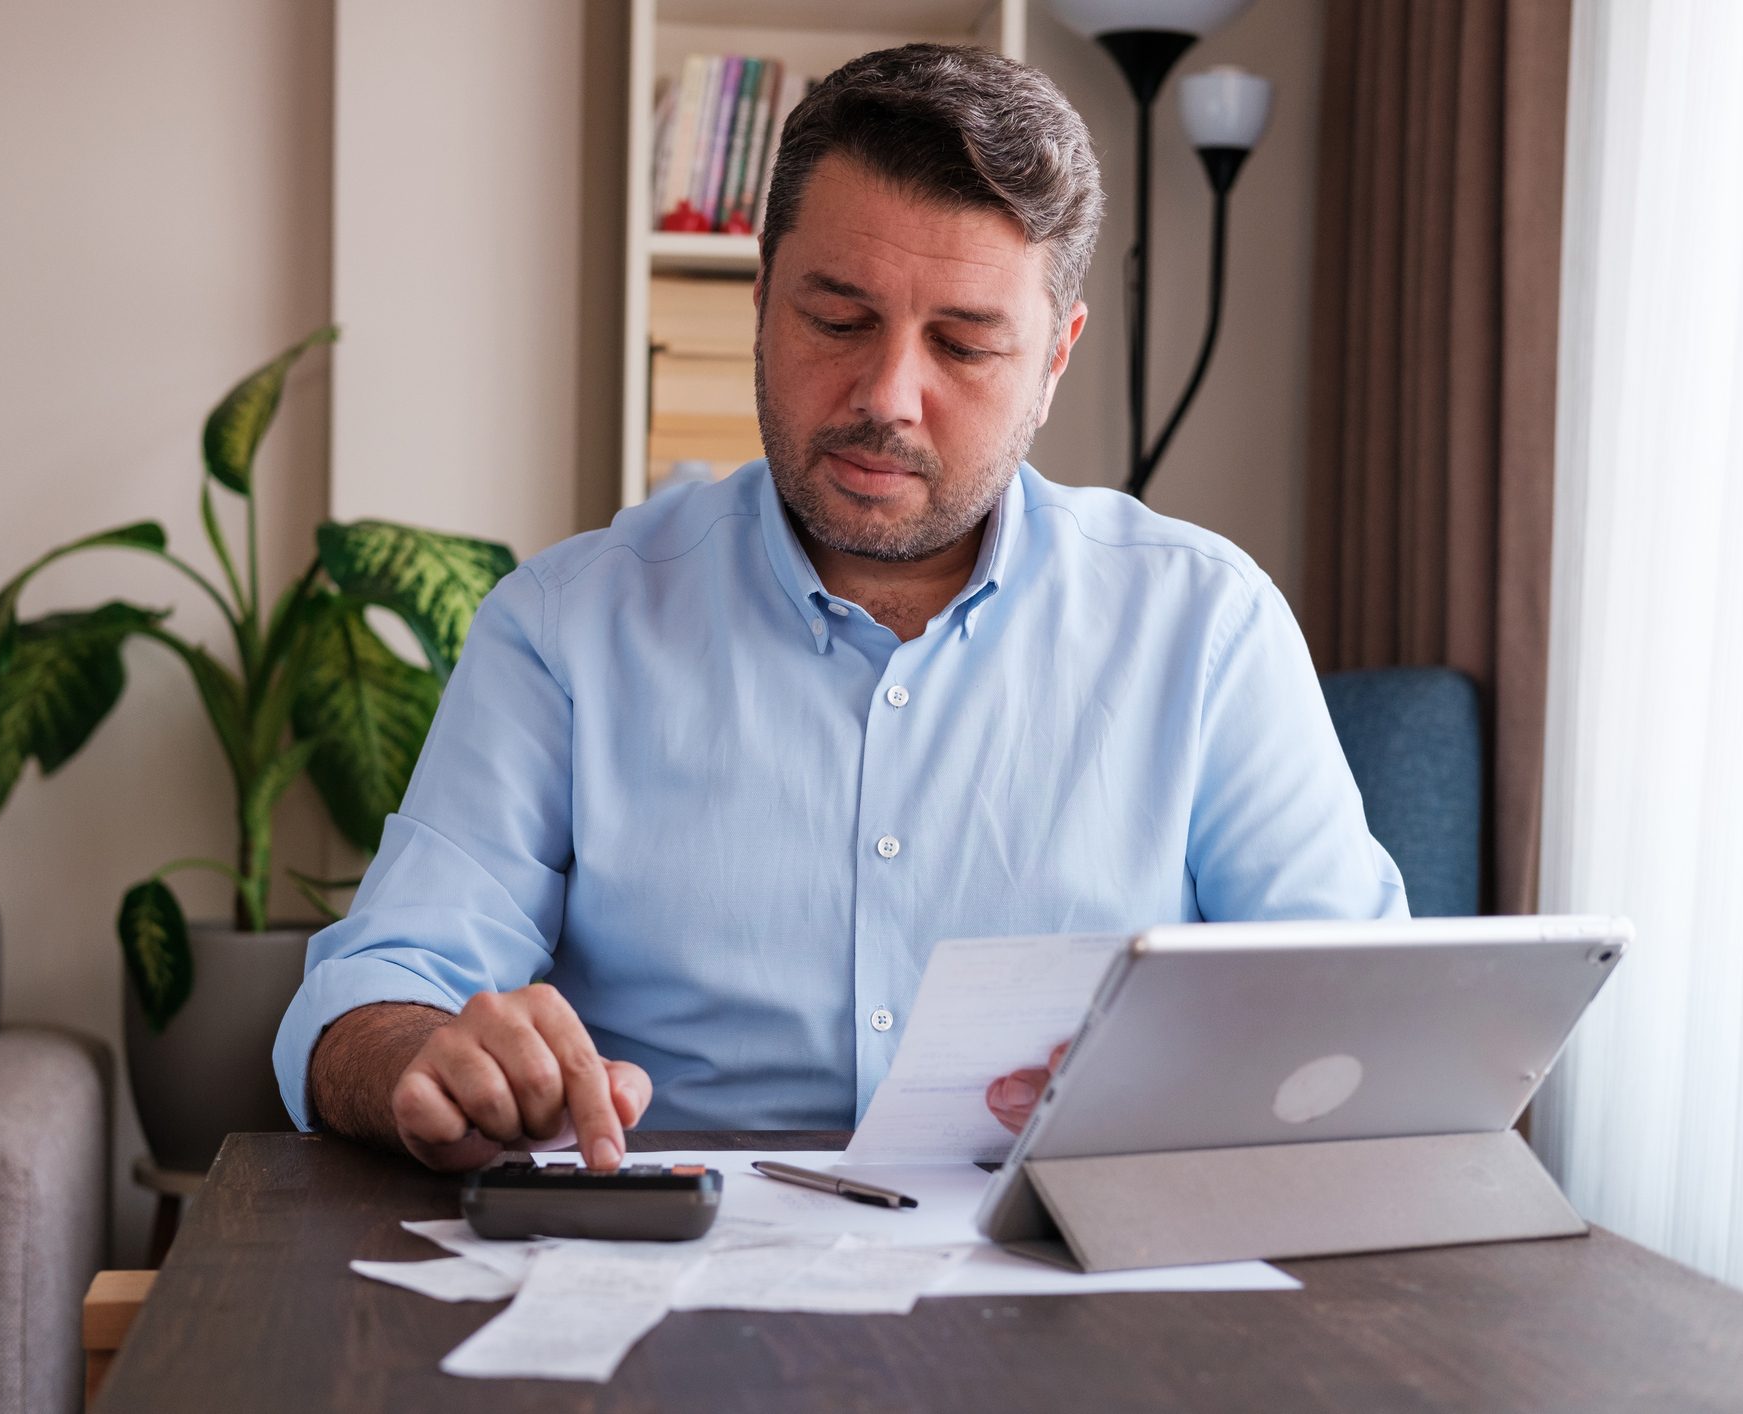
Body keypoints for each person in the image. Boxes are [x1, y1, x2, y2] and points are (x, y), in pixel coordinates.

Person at [274, 43, 1406, 1175]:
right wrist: (428, 1057)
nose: (886, 397)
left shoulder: (1206, 626)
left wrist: (1173, 1085)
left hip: (1075, 1279)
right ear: (762, 300)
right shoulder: (566, 628)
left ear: (1055, 357)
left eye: (963, 343)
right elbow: (372, 996)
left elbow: (1367, 1026)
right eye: (837, 319)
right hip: (670, 1287)